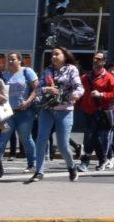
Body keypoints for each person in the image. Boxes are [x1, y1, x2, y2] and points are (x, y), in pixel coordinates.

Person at [30, 47, 83, 183]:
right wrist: (46, 89)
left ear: (64, 56)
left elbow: (79, 88)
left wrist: (74, 95)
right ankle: (39, 171)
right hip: (47, 109)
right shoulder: (48, 70)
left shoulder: (71, 69)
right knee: (41, 140)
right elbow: (37, 89)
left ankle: (71, 166)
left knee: (62, 145)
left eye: (57, 54)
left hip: (65, 110)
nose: (53, 57)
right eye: (52, 54)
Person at [76, 51, 114, 171]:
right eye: (95, 58)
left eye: (99, 59)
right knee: (94, 137)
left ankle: (86, 161)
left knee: (91, 136)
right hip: (87, 111)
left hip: (100, 112)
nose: (96, 60)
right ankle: (102, 159)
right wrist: (76, 105)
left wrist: (101, 94)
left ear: (104, 62)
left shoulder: (109, 77)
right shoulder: (85, 77)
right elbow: (80, 93)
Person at [2, 52, 40, 171]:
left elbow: (36, 88)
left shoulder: (26, 71)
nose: (10, 61)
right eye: (9, 59)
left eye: (13, 59)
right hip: (9, 112)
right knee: (3, 137)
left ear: (19, 60)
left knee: (25, 137)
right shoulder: (5, 75)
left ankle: (32, 163)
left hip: (25, 111)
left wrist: (28, 101)